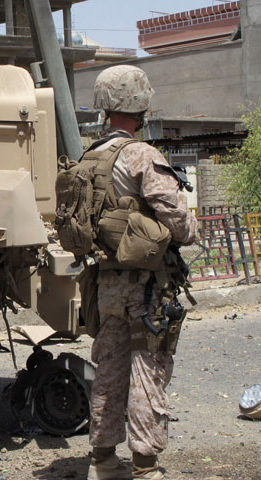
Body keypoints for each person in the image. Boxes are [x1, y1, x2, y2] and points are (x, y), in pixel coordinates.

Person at [85, 65, 197, 480]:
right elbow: (181, 225)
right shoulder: (141, 155)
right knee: (147, 369)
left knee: (108, 369)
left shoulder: (90, 157)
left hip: (105, 284)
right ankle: (146, 466)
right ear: (139, 104)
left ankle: (103, 461)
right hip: (147, 287)